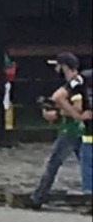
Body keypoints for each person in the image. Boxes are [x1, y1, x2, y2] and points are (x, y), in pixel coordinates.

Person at [29, 53, 88, 209]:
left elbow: (74, 106)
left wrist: (59, 112)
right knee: (86, 163)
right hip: (80, 130)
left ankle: (37, 198)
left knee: (53, 164)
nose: (56, 70)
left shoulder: (74, 84)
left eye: (58, 66)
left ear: (64, 67)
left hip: (72, 130)